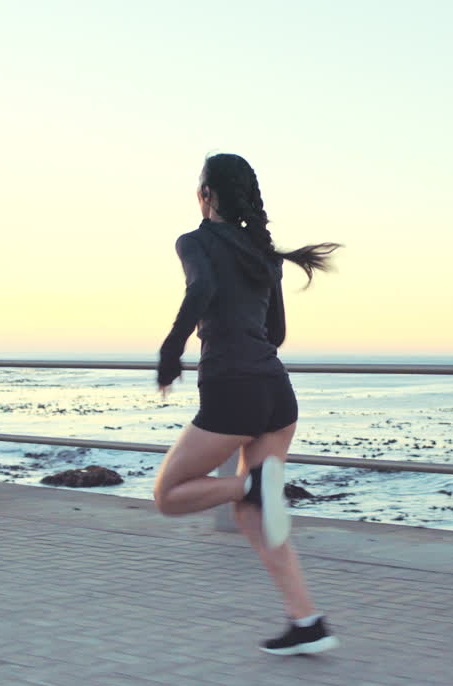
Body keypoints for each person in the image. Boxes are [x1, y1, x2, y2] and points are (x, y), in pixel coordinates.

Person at [154, 153, 343, 655]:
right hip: (277, 395)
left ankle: (254, 483)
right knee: (254, 514)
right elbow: (276, 333)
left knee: (169, 495)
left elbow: (203, 287)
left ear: (208, 196)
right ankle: (307, 622)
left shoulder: (193, 241)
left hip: (232, 390)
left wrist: (172, 350)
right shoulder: (264, 254)